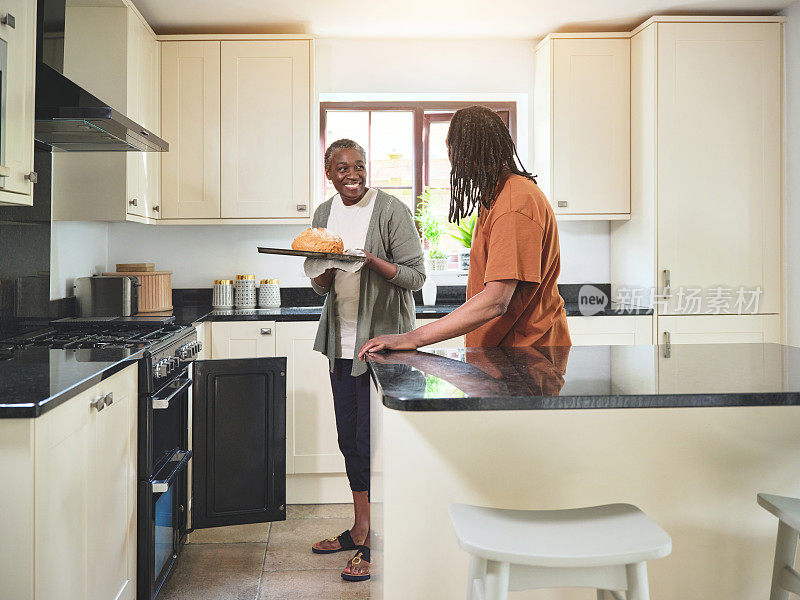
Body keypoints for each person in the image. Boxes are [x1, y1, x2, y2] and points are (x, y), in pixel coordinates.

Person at [359, 105, 570, 358]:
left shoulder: (514, 203)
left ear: (471, 153)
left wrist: (413, 337)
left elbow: (496, 301)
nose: (450, 160)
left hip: (526, 357)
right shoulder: (499, 195)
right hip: (507, 353)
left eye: (452, 149)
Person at [309, 138, 425, 582]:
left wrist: (369, 259)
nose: (352, 174)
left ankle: (380, 538)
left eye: (358, 166)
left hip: (383, 346)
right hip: (341, 344)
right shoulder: (323, 216)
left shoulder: (391, 210)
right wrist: (324, 269)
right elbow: (321, 286)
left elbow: (415, 276)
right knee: (349, 439)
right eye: (342, 168)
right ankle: (361, 527)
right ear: (329, 173)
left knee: (375, 439)